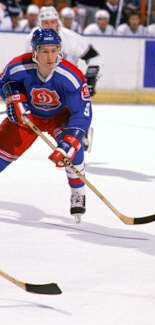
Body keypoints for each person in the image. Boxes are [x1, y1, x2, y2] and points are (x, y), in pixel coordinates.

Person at [0, 28, 92, 223]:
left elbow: (82, 114)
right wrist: (11, 96)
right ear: (35, 52)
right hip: (27, 117)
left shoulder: (71, 76)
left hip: (59, 117)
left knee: (72, 151)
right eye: (44, 51)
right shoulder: (18, 66)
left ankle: (78, 190)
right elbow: (4, 82)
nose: (50, 57)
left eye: (54, 50)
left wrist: (68, 143)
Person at [26, 6, 102, 98]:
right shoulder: (31, 38)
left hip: (69, 85)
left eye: (53, 22)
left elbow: (94, 57)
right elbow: (31, 64)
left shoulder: (71, 38)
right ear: (40, 23)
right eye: (46, 22)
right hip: (42, 87)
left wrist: (90, 81)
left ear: (58, 22)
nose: (50, 25)